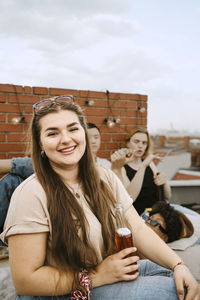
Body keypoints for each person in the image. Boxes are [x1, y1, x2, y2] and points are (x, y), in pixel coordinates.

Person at [0, 95, 199, 300]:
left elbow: (137, 227)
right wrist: (97, 275)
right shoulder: (31, 193)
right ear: (40, 143)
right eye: (52, 133)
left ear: (84, 133)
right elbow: (25, 281)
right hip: (64, 292)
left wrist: (178, 264)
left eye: (73, 129)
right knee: (171, 292)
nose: (66, 139)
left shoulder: (103, 176)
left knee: (175, 275)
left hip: (101, 272)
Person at [0, 122, 109, 233]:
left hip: (84, 209)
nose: (93, 141)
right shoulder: (64, 160)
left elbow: (114, 195)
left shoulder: (106, 166)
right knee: (13, 179)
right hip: (55, 202)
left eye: (96, 137)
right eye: (89, 137)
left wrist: (117, 167)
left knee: (14, 178)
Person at [111, 127, 171, 215]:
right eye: (136, 142)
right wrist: (143, 166)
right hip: (139, 216)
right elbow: (130, 199)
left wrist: (164, 182)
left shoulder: (150, 164)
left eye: (144, 143)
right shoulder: (122, 168)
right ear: (127, 143)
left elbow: (168, 197)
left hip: (158, 212)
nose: (140, 146)